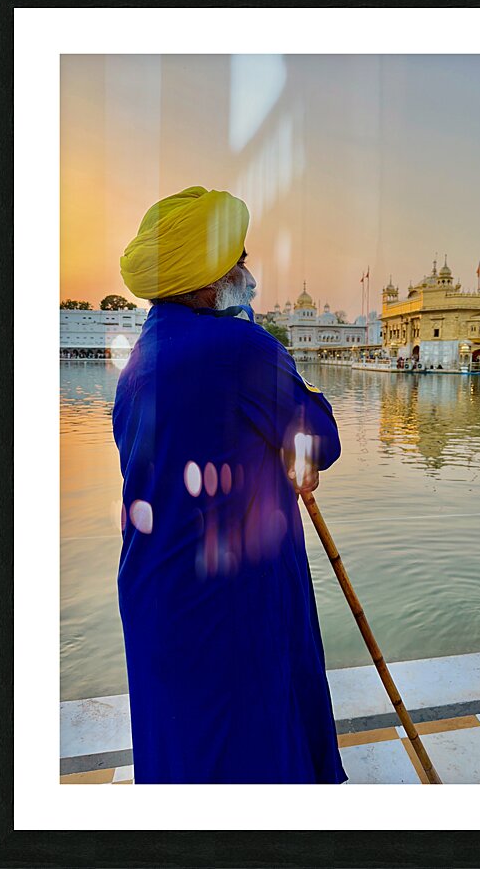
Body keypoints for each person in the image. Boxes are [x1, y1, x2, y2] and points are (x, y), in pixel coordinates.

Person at [113, 186, 347, 784]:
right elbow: (320, 439)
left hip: (158, 595)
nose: (248, 271)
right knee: (250, 752)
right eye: (238, 259)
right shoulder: (239, 348)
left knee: (184, 754)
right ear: (205, 277)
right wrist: (277, 363)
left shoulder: (139, 360)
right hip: (228, 603)